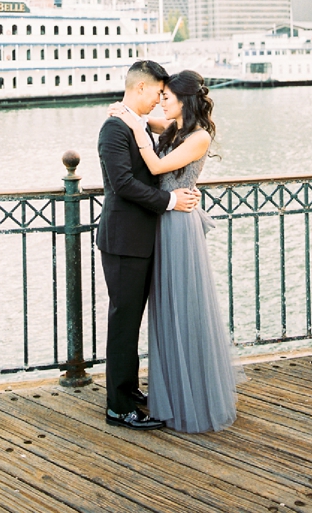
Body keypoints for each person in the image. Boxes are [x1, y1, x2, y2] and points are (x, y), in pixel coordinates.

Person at [110, 69, 240, 432]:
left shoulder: (198, 137)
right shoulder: (172, 128)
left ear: (184, 100)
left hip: (180, 225)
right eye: (160, 94)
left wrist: (136, 129)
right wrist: (127, 114)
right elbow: (143, 116)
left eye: (167, 96)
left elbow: (155, 165)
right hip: (163, 222)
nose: (161, 100)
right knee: (166, 309)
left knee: (184, 307)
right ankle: (169, 390)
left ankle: (192, 395)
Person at [95, 59, 199, 430]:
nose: (159, 99)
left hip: (142, 237)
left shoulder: (136, 124)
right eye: (157, 91)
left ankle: (128, 389)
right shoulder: (114, 129)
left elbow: (173, 134)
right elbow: (122, 184)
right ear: (141, 88)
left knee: (134, 320)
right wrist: (171, 202)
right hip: (124, 239)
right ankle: (117, 406)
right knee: (123, 323)